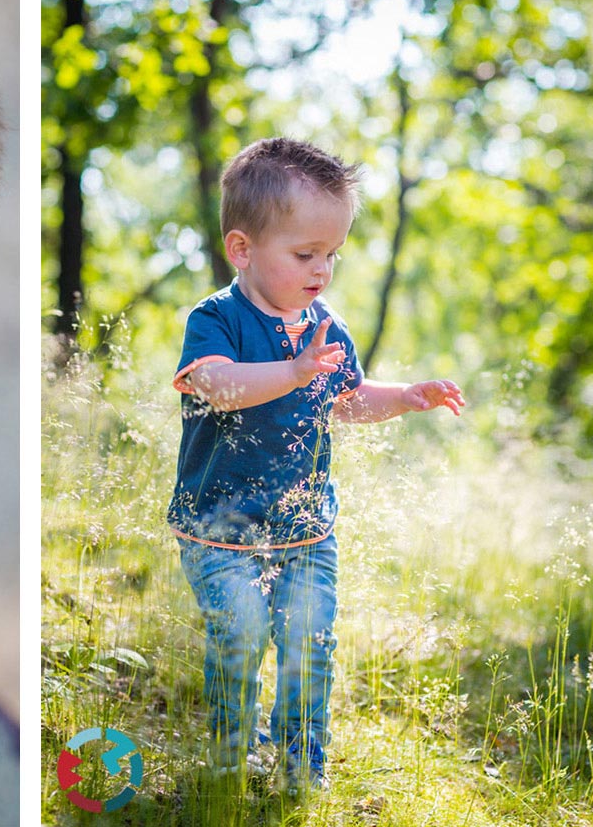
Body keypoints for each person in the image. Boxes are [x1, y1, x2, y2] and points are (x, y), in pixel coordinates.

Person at [167, 137, 464, 794]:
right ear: (242, 249)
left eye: (332, 254)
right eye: (305, 254)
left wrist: (405, 397)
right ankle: (228, 755)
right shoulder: (217, 318)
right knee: (241, 632)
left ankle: (301, 762)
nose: (322, 269)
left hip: (306, 530)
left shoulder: (325, 325)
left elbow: (348, 399)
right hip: (221, 527)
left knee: (309, 642)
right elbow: (215, 383)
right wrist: (293, 370)